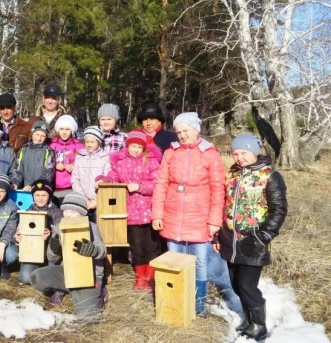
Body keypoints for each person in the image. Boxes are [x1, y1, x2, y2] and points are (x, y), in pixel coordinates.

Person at [151, 112, 225, 316]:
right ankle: (177, 300)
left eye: (186, 131)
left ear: (196, 129)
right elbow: (161, 184)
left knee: (200, 261)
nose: (182, 135)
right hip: (172, 215)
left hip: (199, 217)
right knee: (174, 258)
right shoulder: (171, 152)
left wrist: (214, 220)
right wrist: (157, 214)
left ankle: (198, 304)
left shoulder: (210, 153)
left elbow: (218, 188)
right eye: (178, 132)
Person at [216, 133, 287, 340]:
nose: (239, 157)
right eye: (235, 153)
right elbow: (224, 205)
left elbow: (279, 209)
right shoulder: (232, 174)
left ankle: (259, 324)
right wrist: (217, 237)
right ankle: (248, 317)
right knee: (236, 284)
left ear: (254, 151)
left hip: (253, 241)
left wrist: (263, 236)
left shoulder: (270, 175)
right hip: (229, 239)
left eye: (243, 152)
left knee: (247, 285)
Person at [96, 131, 161, 291]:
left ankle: (150, 278)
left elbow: (158, 182)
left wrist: (140, 187)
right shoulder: (120, 162)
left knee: (152, 247)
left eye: (139, 146)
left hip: (151, 210)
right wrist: (102, 180)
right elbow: (113, 178)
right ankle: (140, 279)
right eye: (133, 146)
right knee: (137, 247)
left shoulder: (152, 161)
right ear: (127, 145)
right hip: (131, 211)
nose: (136, 149)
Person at [29, 192, 107, 322]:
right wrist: (53, 248)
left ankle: (99, 291)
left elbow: (102, 251)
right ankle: (65, 289)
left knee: (89, 319)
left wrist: (92, 250)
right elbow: (52, 258)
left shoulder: (92, 227)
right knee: (36, 277)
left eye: (72, 211)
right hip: (67, 272)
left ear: (82, 213)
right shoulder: (60, 227)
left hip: (89, 276)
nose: (68, 214)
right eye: (65, 210)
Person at [13, 179, 62, 284]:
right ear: (33, 196)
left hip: (51, 254)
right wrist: (18, 239)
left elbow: (61, 235)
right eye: (37, 195)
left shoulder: (57, 213)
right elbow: (19, 230)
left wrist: (50, 235)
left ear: (49, 196)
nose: (40, 198)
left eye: (44, 195)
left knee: (51, 279)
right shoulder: (27, 212)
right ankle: (38, 270)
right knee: (25, 278)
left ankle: (45, 271)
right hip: (33, 252)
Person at [71, 126, 111, 222]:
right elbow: (75, 180)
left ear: (99, 142)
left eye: (92, 142)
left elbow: (108, 179)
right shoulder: (80, 156)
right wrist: (83, 199)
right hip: (83, 200)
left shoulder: (105, 157)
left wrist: (97, 201)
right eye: (87, 142)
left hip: (99, 201)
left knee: (99, 229)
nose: (89, 145)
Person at [11, 121, 55, 191]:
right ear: (32, 134)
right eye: (37, 134)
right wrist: (15, 182)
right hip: (25, 188)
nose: (39, 138)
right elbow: (18, 169)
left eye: (42, 136)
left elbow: (48, 172)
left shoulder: (48, 151)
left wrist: (35, 185)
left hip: (41, 189)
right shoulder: (23, 149)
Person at [49, 115, 84, 192]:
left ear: (72, 131)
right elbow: (45, 161)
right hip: (55, 185)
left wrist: (74, 166)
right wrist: (54, 165)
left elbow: (84, 163)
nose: (64, 132)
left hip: (72, 186)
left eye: (67, 129)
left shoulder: (79, 146)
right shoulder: (51, 145)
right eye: (61, 129)